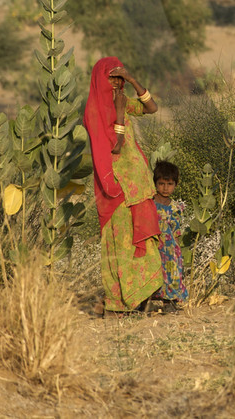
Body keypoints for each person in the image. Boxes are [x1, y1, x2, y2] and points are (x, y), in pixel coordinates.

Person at [83, 56, 163, 316]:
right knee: (120, 244)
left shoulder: (121, 100)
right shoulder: (95, 111)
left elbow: (151, 108)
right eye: (112, 78)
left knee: (140, 241)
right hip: (117, 188)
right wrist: (119, 113)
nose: (117, 83)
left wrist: (133, 80)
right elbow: (113, 148)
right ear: (100, 80)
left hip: (137, 184)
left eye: (120, 78)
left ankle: (139, 297)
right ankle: (117, 303)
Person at [152, 160, 188, 314]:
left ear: (176, 184)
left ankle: (169, 302)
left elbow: (176, 230)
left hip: (170, 249)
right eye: (161, 184)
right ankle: (145, 302)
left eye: (170, 184)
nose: (165, 188)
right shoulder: (150, 204)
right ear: (155, 183)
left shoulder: (176, 207)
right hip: (153, 246)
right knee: (152, 273)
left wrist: (177, 251)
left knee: (172, 274)